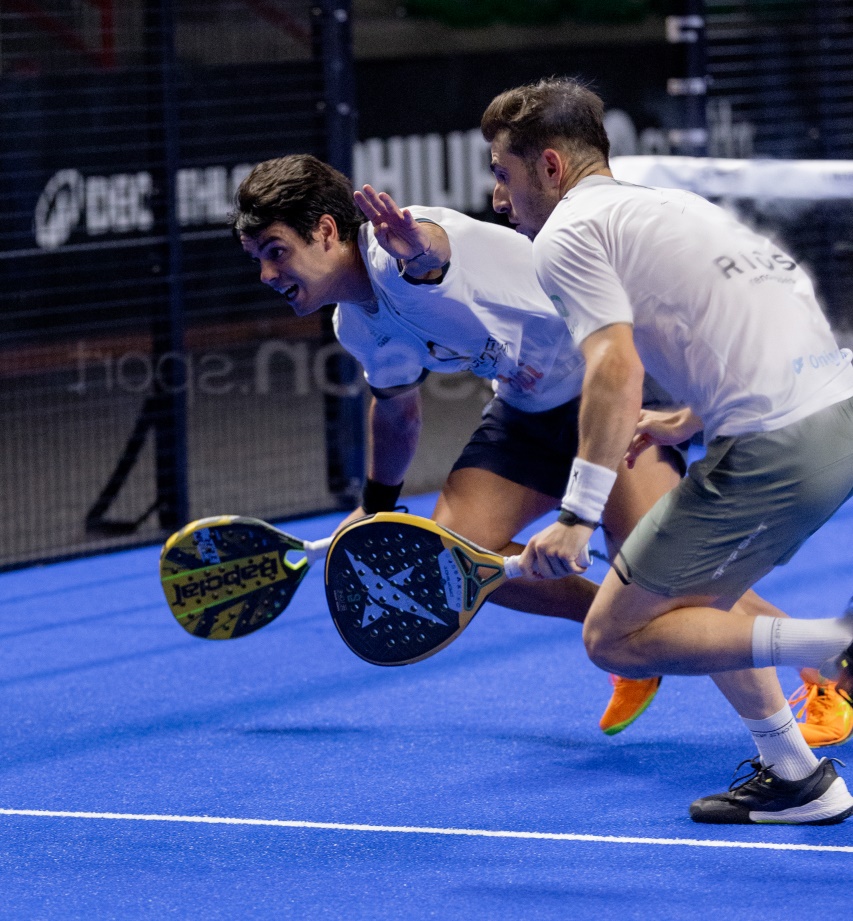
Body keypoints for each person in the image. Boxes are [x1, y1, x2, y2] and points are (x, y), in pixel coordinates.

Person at [481, 76, 853, 824]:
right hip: (837, 407)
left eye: (502, 173)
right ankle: (797, 775)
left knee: (614, 637)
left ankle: (836, 645)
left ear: (549, 167)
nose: (497, 197)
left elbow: (613, 369)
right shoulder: (666, 204)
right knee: (693, 601)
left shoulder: (565, 236)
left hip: (777, 445)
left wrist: (577, 515)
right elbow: (763, 309)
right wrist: (684, 417)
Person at [230, 153, 691, 736]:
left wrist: (416, 252)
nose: (268, 276)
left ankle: (828, 668)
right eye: (258, 261)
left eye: (276, 252)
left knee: (665, 583)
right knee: (456, 557)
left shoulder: (401, 249)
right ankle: (621, 631)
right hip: (524, 416)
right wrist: (376, 507)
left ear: (325, 231)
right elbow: (397, 411)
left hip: (607, 393)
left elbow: (431, 257)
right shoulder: (355, 323)